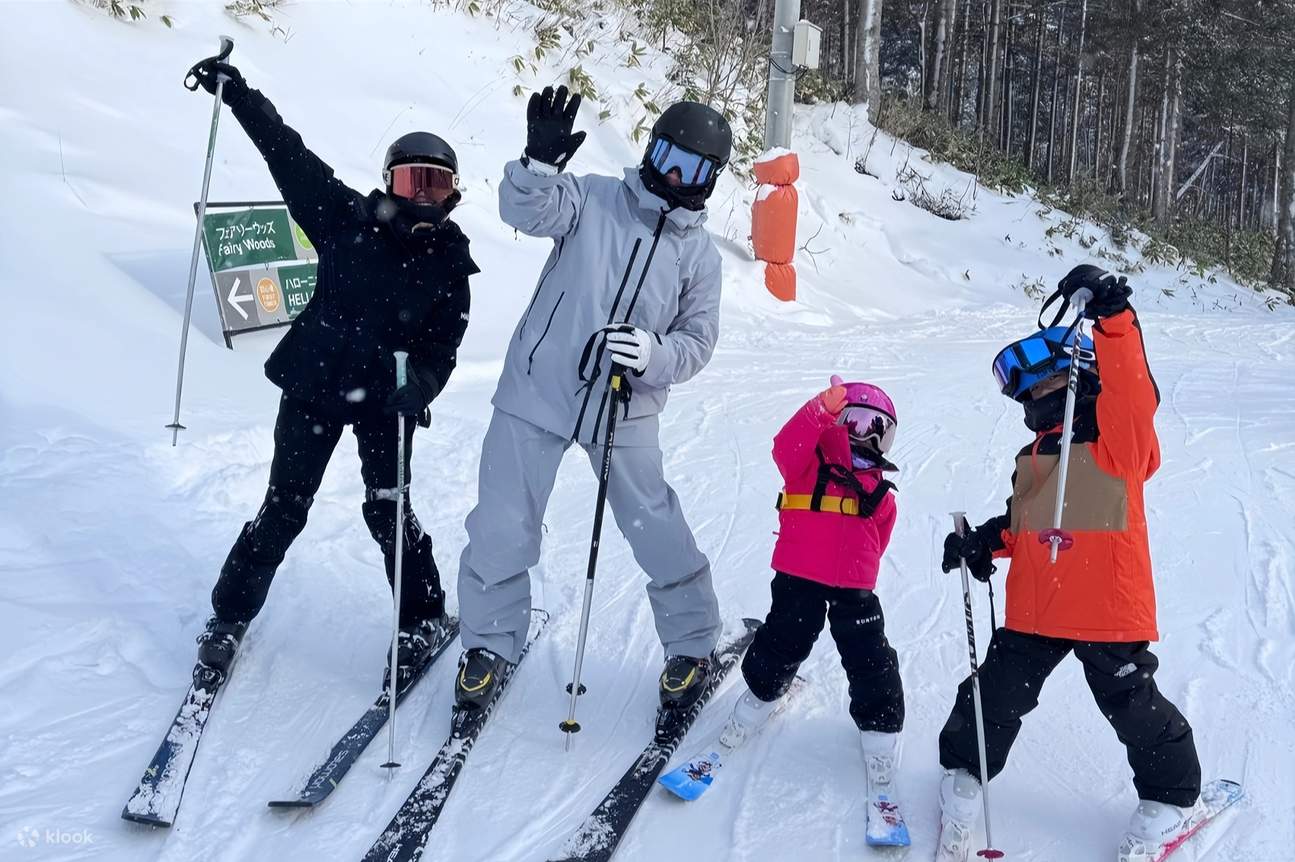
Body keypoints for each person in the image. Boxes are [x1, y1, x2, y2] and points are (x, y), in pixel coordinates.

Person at [186, 58, 480, 690]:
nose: (420, 196)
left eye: (434, 184)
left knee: (389, 511)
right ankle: (229, 617)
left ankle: (422, 618)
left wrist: (422, 385)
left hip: (385, 399)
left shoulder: (451, 264)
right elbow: (286, 152)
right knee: (283, 508)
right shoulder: (344, 216)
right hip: (315, 384)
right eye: (410, 181)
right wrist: (240, 97)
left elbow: (443, 345)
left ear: (453, 193)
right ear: (389, 183)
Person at [453, 85, 729, 710]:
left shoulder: (700, 257)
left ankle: (692, 644)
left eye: (692, 169)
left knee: (655, 526)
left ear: (710, 179)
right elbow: (525, 211)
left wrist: (652, 354)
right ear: (651, 150)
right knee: (502, 522)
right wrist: (538, 167)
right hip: (538, 387)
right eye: (668, 156)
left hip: (625, 405)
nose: (673, 176)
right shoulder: (593, 198)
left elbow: (697, 342)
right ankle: (489, 641)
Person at [934, 266, 1202, 862]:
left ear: (1083, 377)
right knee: (994, 695)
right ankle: (966, 772)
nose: (1037, 398)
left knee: (1131, 706)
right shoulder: (1033, 455)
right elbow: (1024, 524)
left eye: (1048, 383)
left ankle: (1172, 798)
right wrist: (982, 543)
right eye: (1029, 393)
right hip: (1037, 609)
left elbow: (1133, 393)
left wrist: (1113, 319)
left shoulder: (1118, 443)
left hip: (1107, 608)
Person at [721, 376, 904, 802]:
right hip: (798, 572)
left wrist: (860, 570)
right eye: (857, 421)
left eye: (879, 429)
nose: (867, 436)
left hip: (853, 582)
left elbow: (881, 537)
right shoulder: (807, 462)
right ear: (838, 421)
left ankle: (880, 730)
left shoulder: (881, 491)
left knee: (868, 654)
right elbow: (784, 446)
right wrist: (818, 409)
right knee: (784, 637)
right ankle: (762, 694)